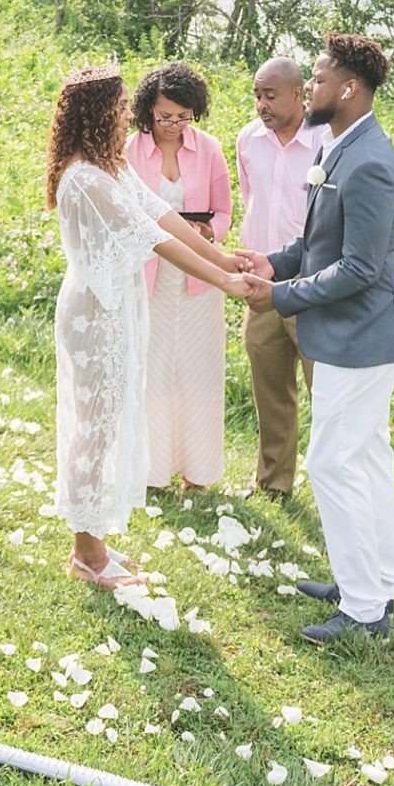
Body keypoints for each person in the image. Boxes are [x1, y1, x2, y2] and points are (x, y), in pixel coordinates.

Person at [234, 34, 394, 645]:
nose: (310, 88)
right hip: (350, 333)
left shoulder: (368, 163)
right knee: (366, 460)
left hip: (360, 337)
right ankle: (370, 583)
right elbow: (318, 246)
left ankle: (364, 611)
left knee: (333, 463)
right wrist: (271, 263)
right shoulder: (341, 146)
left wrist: (280, 298)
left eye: (317, 78)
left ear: (348, 89)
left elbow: (361, 268)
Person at [50, 66, 249, 589]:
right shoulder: (87, 179)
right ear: (96, 114)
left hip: (115, 307)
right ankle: (86, 555)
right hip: (95, 313)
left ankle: (94, 543)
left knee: (108, 422)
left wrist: (225, 262)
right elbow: (153, 241)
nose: (125, 117)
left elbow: (164, 215)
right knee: (93, 430)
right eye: (117, 109)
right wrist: (226, 284)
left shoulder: (110, 167)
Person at [128, 64, 233, 494]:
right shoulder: (128, 150)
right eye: (165, 116)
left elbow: (224, 211)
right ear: (148, 110)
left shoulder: (209, 149)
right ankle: (152, 473)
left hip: (198, 278)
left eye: (183, 117)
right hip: (148, 275)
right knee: (151, 373)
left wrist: (210, 232)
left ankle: (199, 472)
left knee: (198, 373)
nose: (173, 125)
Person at [234, 57, 318, 496]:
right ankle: (273, 483)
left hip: (313, 286)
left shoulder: (327, 142)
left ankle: (332, 488)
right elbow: (251, 199)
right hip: (263, 283)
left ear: (298, 93)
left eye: (270, 95)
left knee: (325, 394)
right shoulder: (248, 140)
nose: (261, 104)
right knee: (270, 390)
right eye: (257, 95)